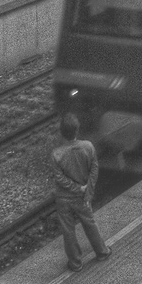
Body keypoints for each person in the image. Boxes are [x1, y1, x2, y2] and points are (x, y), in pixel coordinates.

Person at [50, 114, 110, 271]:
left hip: (63, 198)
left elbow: (59, 179)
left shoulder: (57, 154)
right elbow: (94, 170)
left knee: (68, 230)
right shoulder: (88, 147)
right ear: (77, 130)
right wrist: (86, 191)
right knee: (90, 222)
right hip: (82, 197)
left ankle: (76, 263)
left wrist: (76, 188)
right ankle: (102, 252)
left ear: (61, 133)